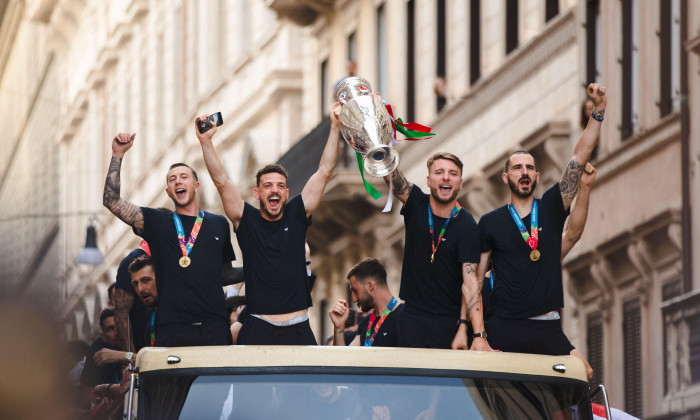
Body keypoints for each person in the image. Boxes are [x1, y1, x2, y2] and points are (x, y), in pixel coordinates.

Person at [475, 83, 607, 357]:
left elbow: (579, 157)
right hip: (504, 326)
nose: (524, 172)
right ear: (506, 177)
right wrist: (479, 334)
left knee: (583, 374)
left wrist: (598, 112)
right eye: (517, 168)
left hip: (547, 326)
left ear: (537, 177)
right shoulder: (490, 222)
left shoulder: (549, 205)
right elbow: (475, 282)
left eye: (530, 168)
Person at [195, 104, 341, 345]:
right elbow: (221, 181)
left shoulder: (297, 213)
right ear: (257, 193)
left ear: (286, 193)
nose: (275, 190)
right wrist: (206, 142)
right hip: (257, 326)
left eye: (280, 186)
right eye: (268, 186)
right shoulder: (247, 219)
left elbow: (325, 171)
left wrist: (335, 127)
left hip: (298, 327)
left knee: (312, 382)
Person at [103, 133, 241, 347]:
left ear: (196, 185)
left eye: (184, 177)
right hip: (174, 328)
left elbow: (224, 273)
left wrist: (259, 267)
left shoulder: (218, 223)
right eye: (172, 179)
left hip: (214, 326)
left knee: (214, 382)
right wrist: (117, 155)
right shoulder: (158, 222)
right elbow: (112, 202)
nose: (178, 181)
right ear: (169, 192)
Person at [385, 153, 491, 351]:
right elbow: (390, 175)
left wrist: (477, 334)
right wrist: (376, 144)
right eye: (439, 172)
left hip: (448, 324)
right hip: (411, 319)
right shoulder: (416, 202)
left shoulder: (467, 225)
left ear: (460, 183)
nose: (446, 178)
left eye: (453, 174)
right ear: (428, 180)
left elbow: (470, 282)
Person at [93, 254, 160, 367]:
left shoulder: (173, 316)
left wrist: (124, 356)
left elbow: (168, 360)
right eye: (135, 284)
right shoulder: (151, 319)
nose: (140, 289)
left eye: (146, 280)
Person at [329, 258, 404, 347]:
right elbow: (345, 358)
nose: (354, 299)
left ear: (370, 286)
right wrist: (339, 327)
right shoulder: (366, 321)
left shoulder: (405, 315)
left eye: (355, 291)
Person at [80, 308, 123, 407]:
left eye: (119, 326)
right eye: (111, 328)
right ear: (103, 336)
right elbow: (86, 392)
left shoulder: (136, 341)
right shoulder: (97, 348)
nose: (116, 332)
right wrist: (99, 400)